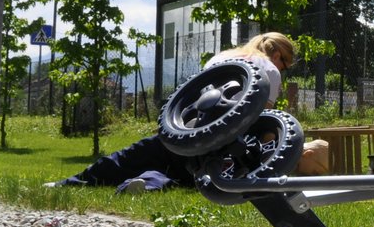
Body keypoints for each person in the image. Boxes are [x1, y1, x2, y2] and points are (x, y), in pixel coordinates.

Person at [50, 31, 327, 190]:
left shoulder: (222, 57)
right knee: (190, 176)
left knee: (134, 155)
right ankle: (148, 183)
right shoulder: (267, 70)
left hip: (185, 126)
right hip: (222, 142)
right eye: (285, 64)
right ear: (278, 55)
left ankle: (72, 183)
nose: (282, 69)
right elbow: (261, 122)